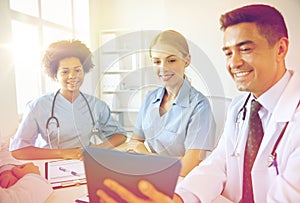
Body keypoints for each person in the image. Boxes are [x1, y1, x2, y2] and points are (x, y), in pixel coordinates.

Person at [95, 4, 300, 202]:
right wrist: (179, 199)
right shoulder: (240, 107)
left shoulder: (200, 105)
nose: (234, 63)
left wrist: (149, 161)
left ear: (280, 49)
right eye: (228, 53)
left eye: (245, 49)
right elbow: (218, 164)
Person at [118, 30, 216, 177]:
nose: (163, 68)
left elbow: (187, 168)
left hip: (180, 183)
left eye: (171, 60)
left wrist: (146, 156)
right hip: (148, 175)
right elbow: (135, 143)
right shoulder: (150, 98)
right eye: (157, 61)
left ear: (187, 60)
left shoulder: (199, 106)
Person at [10, 40, 127, 160]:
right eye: (65, 72)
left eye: (77, 70)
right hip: (51, 164)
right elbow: (18, 150)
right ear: (55, 75)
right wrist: (65, 153)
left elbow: (120, 135)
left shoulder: (96, 105)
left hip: (86, 162)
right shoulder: (38, 106)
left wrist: (98, 149)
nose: (72, 76)